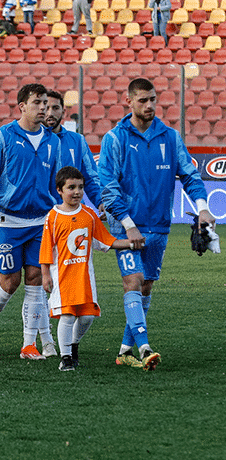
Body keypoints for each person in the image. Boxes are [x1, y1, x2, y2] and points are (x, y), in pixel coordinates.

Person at [98, 78, 215, 370]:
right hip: (124, 228)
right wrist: (127, 224)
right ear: (129, 102)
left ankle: (125, 349)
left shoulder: (170, 137)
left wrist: (202, 208)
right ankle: (145, 347)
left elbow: (189, 175)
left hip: (159, 226)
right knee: (132, 281)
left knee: (146, 286)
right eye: (142, 100)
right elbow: (108, 188)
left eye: (152, 99)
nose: (149, 105)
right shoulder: (115, 139)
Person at [0, 83, 61, 360]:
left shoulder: (52, 141)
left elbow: (55, 183)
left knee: (35, 280)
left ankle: (28, 345)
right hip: (8, 221)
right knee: (10, 283)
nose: (43, 109)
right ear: (22, 106)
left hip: (40, 222)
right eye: (37, 103)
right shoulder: (3, 136)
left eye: (45, 103)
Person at [40, 166, 131, 371]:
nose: (77, 192)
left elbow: (105, 240)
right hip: (62, 276)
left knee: (87, 316)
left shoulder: (89, 215)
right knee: (68, 316)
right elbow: (46, 247)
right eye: (71, 187)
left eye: (80, 187)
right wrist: (45, 274)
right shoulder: (53, 217)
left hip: (84, 277)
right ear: (59, 190)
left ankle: (73, 345)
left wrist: (130, 243)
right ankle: (65, 358)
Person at [43, 90, 104, 214]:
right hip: (43, 214)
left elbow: (90, 177)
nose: (50, 113)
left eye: (55, 108)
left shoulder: (77, 140)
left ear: (63, 112)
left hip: (73, 213)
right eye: (46, 108)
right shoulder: (33, 141)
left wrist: (100, 201)